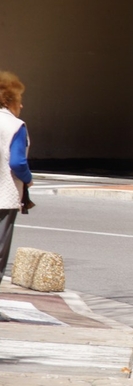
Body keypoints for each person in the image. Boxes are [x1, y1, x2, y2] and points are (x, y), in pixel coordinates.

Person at [0, 71, 32, 282]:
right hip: (3, 196)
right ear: (10, 101)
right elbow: (18, 162)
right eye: (19, 101)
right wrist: (28, 179)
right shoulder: (14, 126)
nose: (21, 106)